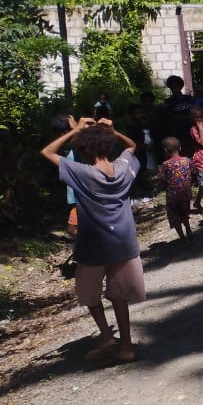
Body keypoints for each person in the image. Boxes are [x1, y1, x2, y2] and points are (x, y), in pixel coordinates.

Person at [40, 117, 145, 364]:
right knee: (119, 297)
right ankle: (126, 346)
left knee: (90, 294)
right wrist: (114, 130)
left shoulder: (82, 173)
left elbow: (47, 152)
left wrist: (75, 131)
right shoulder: (122, 167)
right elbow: (131, 147)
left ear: (83, 150)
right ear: (109, 147)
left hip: (93, 246)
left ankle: (107, 335)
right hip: (124, 243)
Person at [157, 136, 194, 240]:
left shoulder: (165, 165)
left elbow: (162, 179)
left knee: (175, 215)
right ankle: (189, 230)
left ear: (165, 150)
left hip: (172, 195)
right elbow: (193, 172)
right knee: (184, 212)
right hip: (186, 192)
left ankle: (182, 237)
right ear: (180, 148)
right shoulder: (187, 160)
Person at [162, 75, 194, 145]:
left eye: (176, 85)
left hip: (191, 129)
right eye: (172, 86)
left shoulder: (189, 99)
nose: (174, 87)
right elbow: (169, 117)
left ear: (181, 86)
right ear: (170, 87)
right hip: (177, 132)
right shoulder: (168, 102)